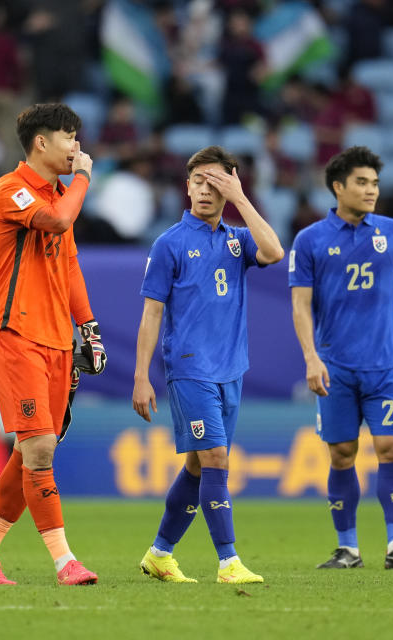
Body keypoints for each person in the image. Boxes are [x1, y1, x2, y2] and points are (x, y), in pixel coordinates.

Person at [0, 103, 105, 587]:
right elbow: (57, 223)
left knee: (29, 453)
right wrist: (85, 181)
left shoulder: (59, 194)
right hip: (16, 334)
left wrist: (87, 327)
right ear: (41, 143)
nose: (77, 149)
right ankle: (66, 562)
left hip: (57, 342)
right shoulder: (10, 190)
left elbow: (68, 267)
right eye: (69, 138)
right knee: (39, 448)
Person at [133, 145, 284, 584]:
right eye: (198, 181)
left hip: (231, 369)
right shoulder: (169, 243)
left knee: (200, 466)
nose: (204, 189)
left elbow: (274, 252)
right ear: (186, 186)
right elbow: (152, 313)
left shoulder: (237, 240)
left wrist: (240, 198)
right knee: (216, 457)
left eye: (215, 181)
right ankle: (228, 561)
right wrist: (141, 376)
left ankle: (160, 554)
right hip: (189, 368)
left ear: (231, 184)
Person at [289, 146, 393, 571]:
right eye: (362, 183)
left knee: (390, 447)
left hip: (386, 364)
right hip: (336, 367)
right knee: (342, 454)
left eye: (375, 183)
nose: (371, 190)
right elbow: (299, 305)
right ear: (338, 187)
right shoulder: (310, 239)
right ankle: (347, 548)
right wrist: (311, 358)